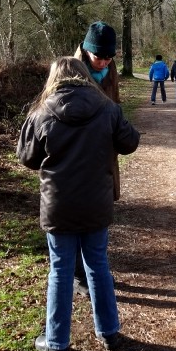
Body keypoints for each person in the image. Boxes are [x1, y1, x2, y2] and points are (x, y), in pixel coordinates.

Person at [17, 57, 140, 351]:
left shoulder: (41, 112)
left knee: (60, 270)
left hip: (59, 206)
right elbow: (130, 142)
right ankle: (109, 331)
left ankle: (57, 342)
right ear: (86, 77)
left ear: (53, 78)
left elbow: (26, 157)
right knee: (97, 265)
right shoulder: (107, 109)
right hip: (96, 204)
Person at [73, 21, 120, 296]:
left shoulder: (110, 68)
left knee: (99, 213)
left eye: (108, 57)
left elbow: (115, 102)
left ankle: (97, 270)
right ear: (85, 51)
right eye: (98, 57)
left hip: (105, 151)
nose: (103, 62)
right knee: (78, 214)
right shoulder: (71, 70)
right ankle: (79, 275)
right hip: (78, 154)